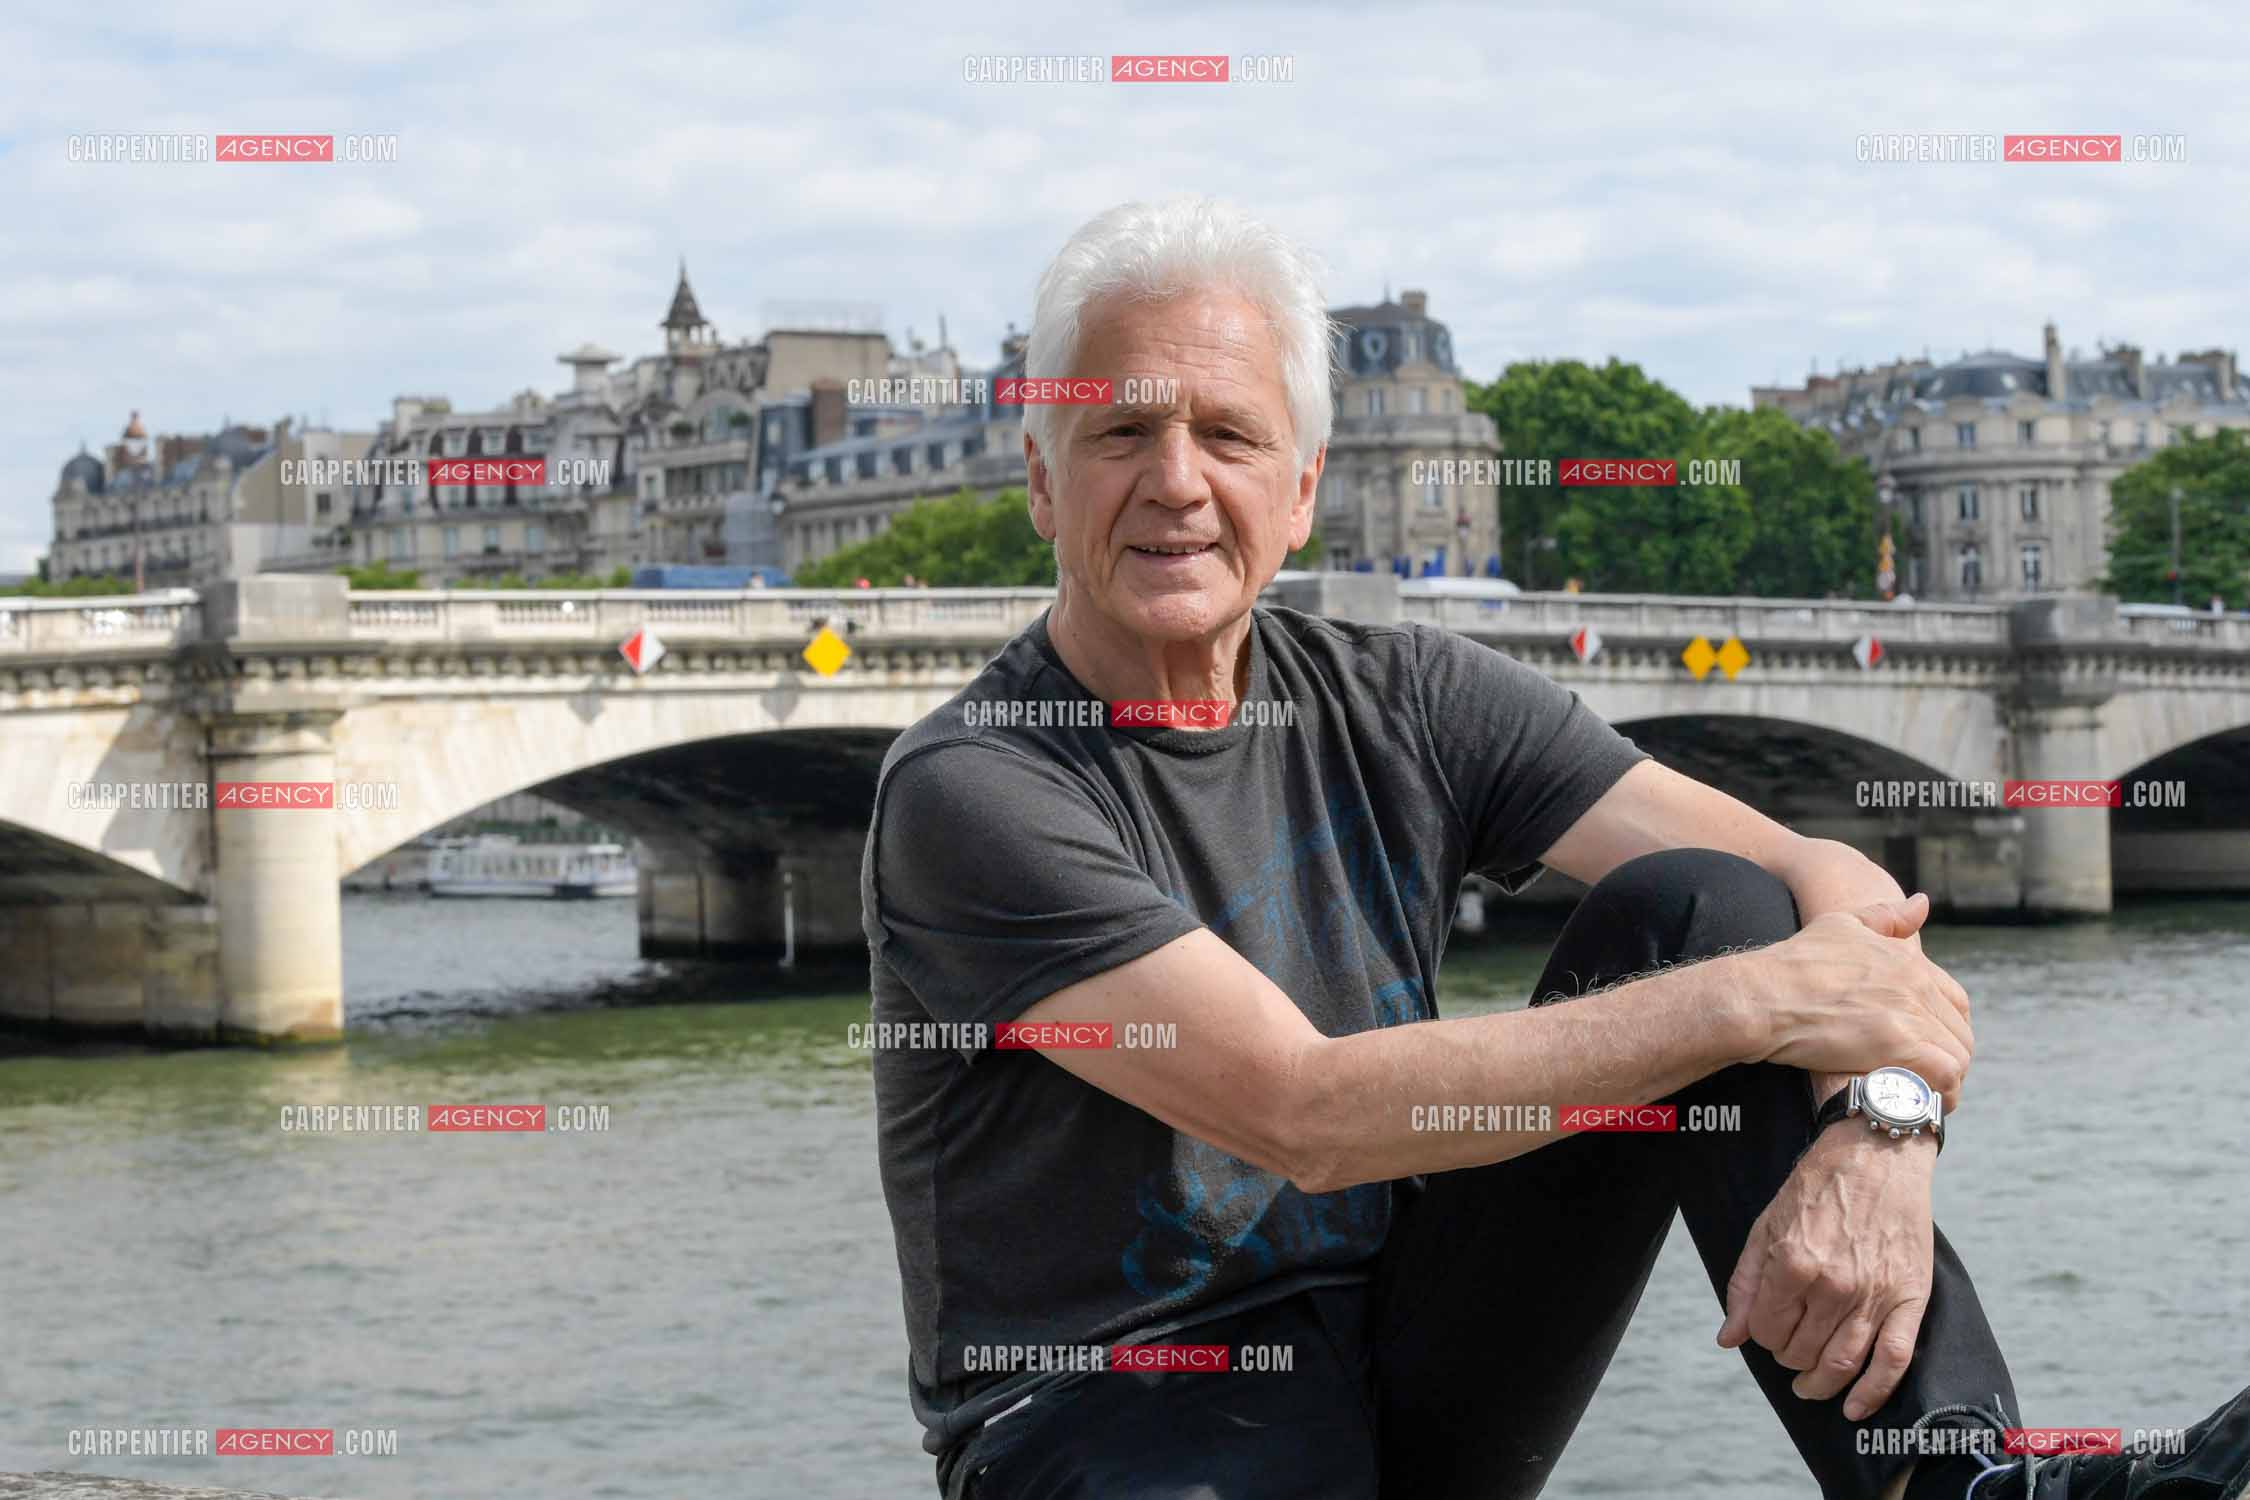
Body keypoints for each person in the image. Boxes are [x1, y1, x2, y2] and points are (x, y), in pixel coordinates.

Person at [859, 197, 2250, 1500]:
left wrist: (1877, 1135)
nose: (1174, 481)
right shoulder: (975, 787)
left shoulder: (1407, 694)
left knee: (1701, 902)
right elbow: (1303, 1114)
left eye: (1226, 435)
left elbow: (1841, 892)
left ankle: (1949, 1477)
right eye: (1118, 436)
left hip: (1413, 1339)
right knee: (1734, 965)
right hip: (1107, 1410)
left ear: (1300, 492)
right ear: (1041, 481)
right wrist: (1766, 1001)